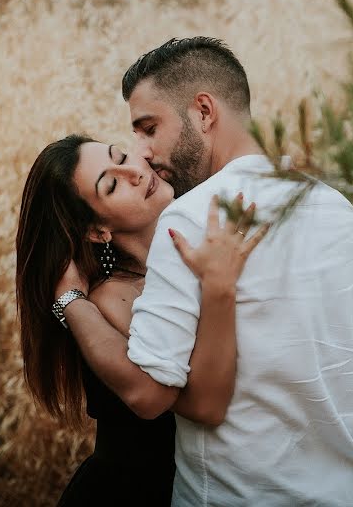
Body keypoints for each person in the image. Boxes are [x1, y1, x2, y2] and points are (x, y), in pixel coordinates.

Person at [56, 37, 353, 505]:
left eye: (148, 129)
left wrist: (67, 300)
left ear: (204, 112)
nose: (142, 153)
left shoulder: (190, 218)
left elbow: (153, 393)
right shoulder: (334, 206)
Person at [15, 134, 269, 505]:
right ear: (98, 231)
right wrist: (70, 300)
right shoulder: (113, 299)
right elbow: (204, 402)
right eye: (112, 184)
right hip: (135, 494)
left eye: (122, 156)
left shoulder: (205, 253)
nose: (134, 171)